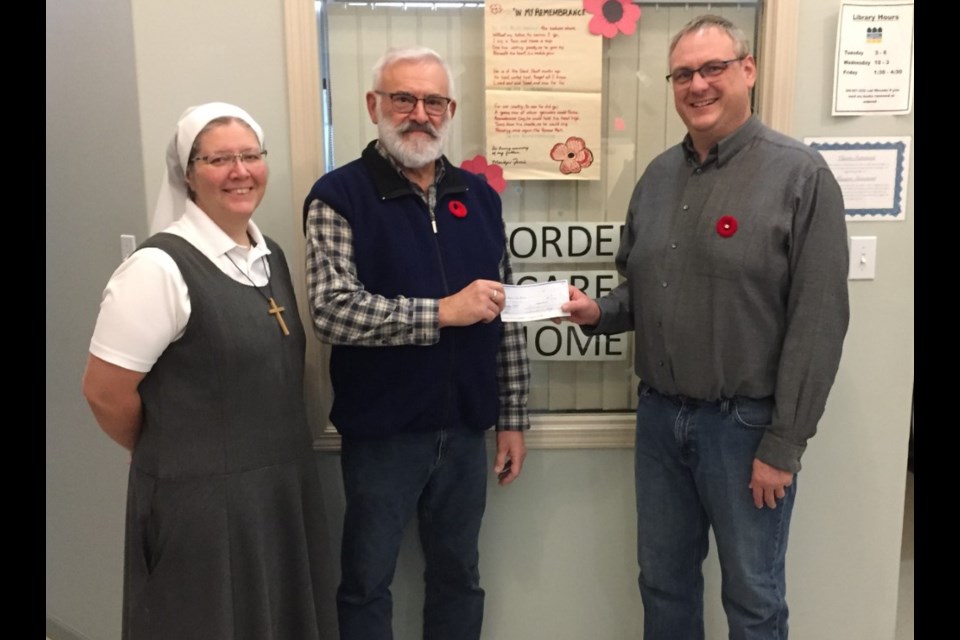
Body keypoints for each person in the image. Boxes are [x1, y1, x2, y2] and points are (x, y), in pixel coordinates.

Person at [561, 15, 850, 640]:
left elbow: (819, 322)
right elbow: (643, 288)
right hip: (661, 421)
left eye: (713, 68)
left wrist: (783, 446)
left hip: (745, 430)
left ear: (747, 70)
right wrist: (598, 313)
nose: (698, 85)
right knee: (663, 585)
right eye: (684, 74)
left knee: (753, 600)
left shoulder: (801, 176)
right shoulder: (658, 178)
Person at [303, 46, 530, 640]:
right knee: (366, 583)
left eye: (433, 101)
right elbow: (331, 311)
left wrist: (513, 418)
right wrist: (441, 314)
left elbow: (500, 313)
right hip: (381, 436)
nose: (419, 113)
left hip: (464, 433)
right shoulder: (338, 196)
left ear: (450, 110)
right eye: (403, 98)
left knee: (459, 577)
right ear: (375, 104)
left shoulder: (479, 197)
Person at [82, 102, 325, 639]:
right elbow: (104, 393)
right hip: (201, 507)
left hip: (278, 493)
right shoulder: (158, 269)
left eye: (250, 156)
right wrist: (178, 450)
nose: (239, 171)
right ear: (188, 174)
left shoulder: (271, 255)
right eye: (218, 159)